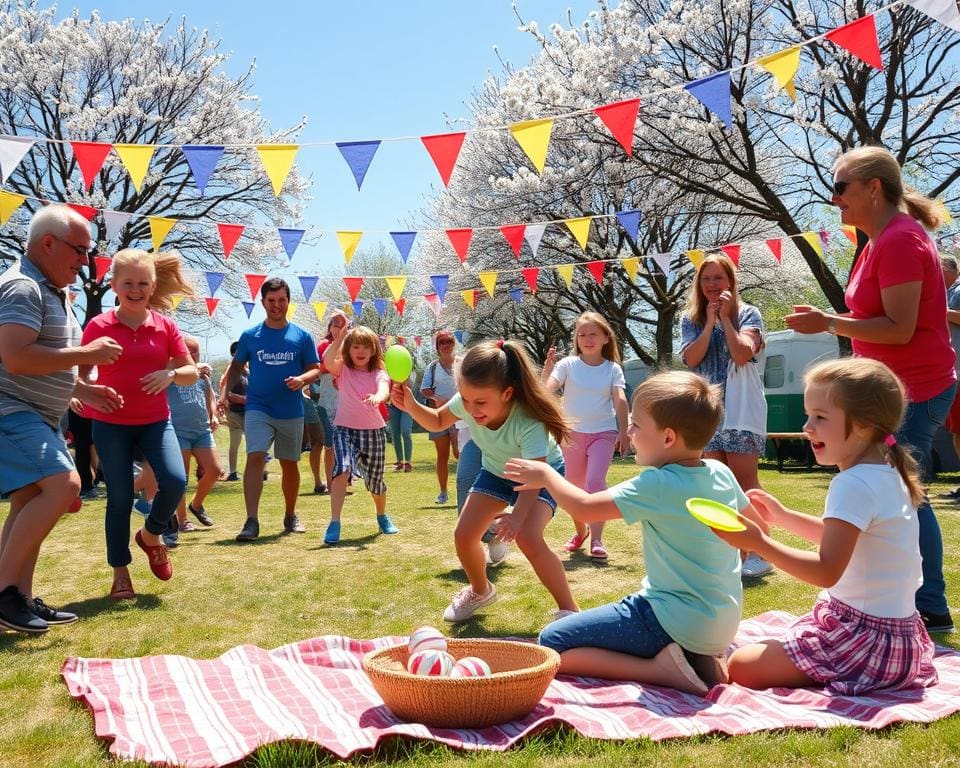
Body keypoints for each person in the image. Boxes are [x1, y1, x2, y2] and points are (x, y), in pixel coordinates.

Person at [786, 145, 956, 633]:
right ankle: (905, 599)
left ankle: (927, 605)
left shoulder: (901, 240)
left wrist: (826, 322)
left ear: (873, 187)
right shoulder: (881, 239)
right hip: (892, 389)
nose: (833, 197)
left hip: (914, 390)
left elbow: (900, 328)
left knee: (905, 491)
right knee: (895, 490)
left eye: (840, 187)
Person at [504, 370, 744, 694]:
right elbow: (748, 534)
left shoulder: (658, 483)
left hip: (669, 620)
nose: (628, 432)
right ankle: (694, 655)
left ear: (668, 438)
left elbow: (585, 507)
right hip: (722, 625)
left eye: (636, 425)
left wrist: (547, 474)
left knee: (552, 641)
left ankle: (660, 670)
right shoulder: (721, 473)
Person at [713, 358, 939, 693]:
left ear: (862, 425)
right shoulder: (889, 472)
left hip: (866, 644)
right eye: (808, 415)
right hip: (899, 642)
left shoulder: (854, 483)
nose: (807, 426)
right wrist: (783, 516)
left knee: (741, 665)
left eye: (820, 417)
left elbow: (826, 570)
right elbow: (844, 538)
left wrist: (759, 543)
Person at [392, 339, 577, 623]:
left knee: (528, 536)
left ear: (508, 393)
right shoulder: (468, 401)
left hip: (541, 475)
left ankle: (570, 611)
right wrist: (411, 405)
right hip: (496, 472)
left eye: (480, 402)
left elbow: (534, 477)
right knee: (464, 535)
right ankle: (481, 591)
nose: (470, 409)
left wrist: (516, 517)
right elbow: (439, 421)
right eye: (465, 399)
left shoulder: (528, 421)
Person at [0, 205, 123, 633]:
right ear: (47, 243)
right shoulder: (23, 289)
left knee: (28, 499)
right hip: (12, 412)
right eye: (80, 250)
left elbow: (47, 361)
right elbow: (15, 357)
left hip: (36, 414)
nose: (86, 261)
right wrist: (88, 355)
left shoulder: (51, 291)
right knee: (65, 485)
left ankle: (21, 600)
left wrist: (82, 389)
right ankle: (3, 595)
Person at [80, 248, 197, 600]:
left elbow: (191, 372)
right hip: (110, 423)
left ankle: (150, 536)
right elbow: (81, 372)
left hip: (155, 422)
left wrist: (171, 373)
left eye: (143, 283)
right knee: (118, 496)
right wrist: (83, 391)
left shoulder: (165, 326)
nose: (136, 289)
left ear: (153, 285)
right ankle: (120, 572)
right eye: (128, 282)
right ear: (113, 284)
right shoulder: (98, 326)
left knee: (176, 480)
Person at [681, 253, 772, 580]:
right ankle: (733, 551)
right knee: (716, 486)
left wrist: (727, 321)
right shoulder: (690, 319)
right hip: (707, 411)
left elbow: (741, 353)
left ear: (731, 282)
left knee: (745, 483)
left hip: (741, 407)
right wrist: (708, 324)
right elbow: (691, 360)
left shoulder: (749, 314)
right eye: (706, 279)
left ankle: (762, 551)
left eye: (718, 278)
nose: (711, 285)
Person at [220, 277, 321, 542]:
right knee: (255, 456)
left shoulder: (302, 336)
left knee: (290, 463)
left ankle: (290, 514)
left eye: (282, 300)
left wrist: (302, 379)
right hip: (258, 407)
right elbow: (236, 366)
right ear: (263, 302)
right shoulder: (250, 336)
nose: (277, 305)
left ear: (288, 301)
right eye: (271, 301)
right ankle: (251, 520)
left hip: (290, 409)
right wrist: (223, 395)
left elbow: (316, 368)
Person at [542, 312, 629, 561]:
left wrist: (624, 431)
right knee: (573, 489)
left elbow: (620, 400)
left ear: (605, 337)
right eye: (582, 335)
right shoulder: (567, 365)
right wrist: (546, 373)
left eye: (593, 334)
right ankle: (581, 531)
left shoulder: (613, 369)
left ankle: (598, 540)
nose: (587, 339)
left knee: (594, 484)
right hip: (571, 434)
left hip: (603, 432)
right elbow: (547, 392)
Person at [321, 323, 397, 543]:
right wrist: (341, 336)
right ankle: (334, 522)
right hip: (344, 429)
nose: (360, 351)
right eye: (355, 346)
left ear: (373, 349)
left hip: (373, 432)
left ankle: (382, 516)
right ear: (348, 349)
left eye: (365, 346)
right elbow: (327, 361)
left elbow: (384, 388)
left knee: (375, 483)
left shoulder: (379, 372)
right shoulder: (342, 369)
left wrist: (377, 397)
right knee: (342, 470)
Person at [167, 336, 219, 539]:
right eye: (189, 350)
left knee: (215, 470)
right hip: (178, 430)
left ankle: (196, 505)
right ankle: (182, 520)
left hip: (202, 431)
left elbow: (210, 398)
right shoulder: (172, 375)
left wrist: (213, 414)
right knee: (182, 478)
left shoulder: (202, 377)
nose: (193, 355)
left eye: (195, 351)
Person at [420, 330, 460, 504]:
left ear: (453, 344)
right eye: (442, 343)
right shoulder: (433, 367)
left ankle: (466, 489)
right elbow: (425, 389)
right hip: (439, 415)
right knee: (442, 455)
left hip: (459, 413)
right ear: (437, 347)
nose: (446, 346)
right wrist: (437, 398)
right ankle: (443, 492)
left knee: (461, 453)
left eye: (449, 342)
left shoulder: (461, 364)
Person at [316, 312, 348, 491]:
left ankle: (342, 481)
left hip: (346, 401)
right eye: (334, 323)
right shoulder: (324, 345)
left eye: (341, 323)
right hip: (327, 400)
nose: (337, 326)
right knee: (330, 445)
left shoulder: (351, 345)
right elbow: (323, 365)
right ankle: (330, 483)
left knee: (345, 443)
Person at [938, 256, 960, 502]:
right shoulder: (946, 293)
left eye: (938, 267)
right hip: (952, 374)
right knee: (957, 431)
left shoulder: (958, 290)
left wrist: (937, 310)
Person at [219, 340, 247, 482]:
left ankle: (259, 469)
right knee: (249, 441)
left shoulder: (247, 370)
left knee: (246, 442)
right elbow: (226, 391)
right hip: (236, 412)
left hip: (246, 411)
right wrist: (244, 399)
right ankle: (234, 472)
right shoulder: (232, 369)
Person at [302, 381, 327, 493]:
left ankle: (336, 478)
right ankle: (318, 481)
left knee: (328, 442)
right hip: (311, 401)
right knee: (318, 442)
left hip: (329, 398)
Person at [387, 372, 415, 472]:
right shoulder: (387, 373)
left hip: (407, 406)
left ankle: (407, 462)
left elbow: (411, 386)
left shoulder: (408, 372)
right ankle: (400, 461)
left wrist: (403, 378)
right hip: (393, 405)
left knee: (405, 432)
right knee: (395, 434)